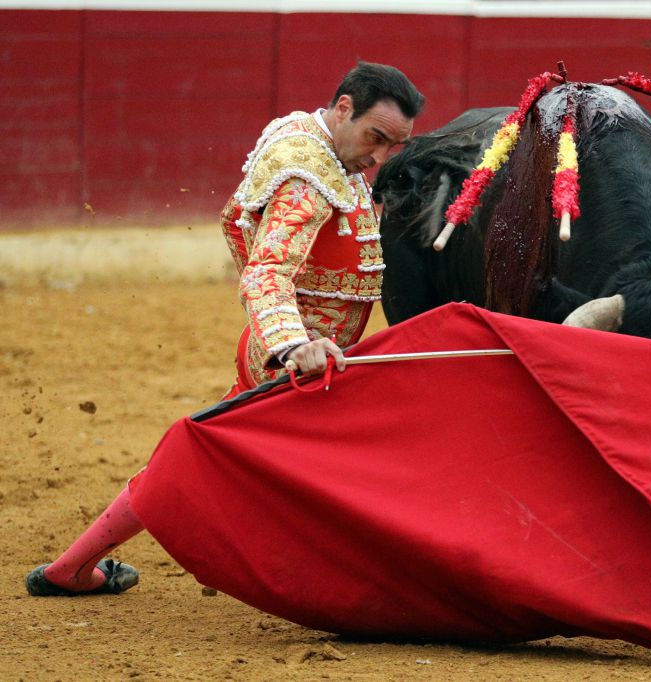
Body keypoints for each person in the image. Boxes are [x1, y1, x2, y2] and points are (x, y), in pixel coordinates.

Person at [25, 62, 424, 596]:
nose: (380, 158)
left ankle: (69, 568)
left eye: (394, 147)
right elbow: (265, 273)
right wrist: (293, 345)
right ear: (344, 107)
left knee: (202, 460)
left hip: (297, 359)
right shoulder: (308, 177)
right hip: (295, 365)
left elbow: (243, 224)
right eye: (377, 138)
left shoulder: (310, 140)